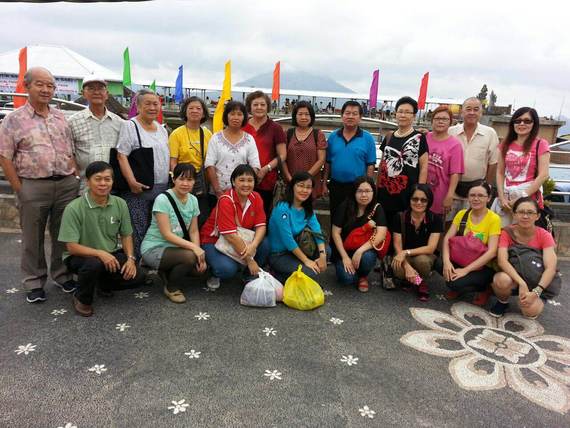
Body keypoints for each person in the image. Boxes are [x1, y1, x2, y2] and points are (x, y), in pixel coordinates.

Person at [0, 67, 80, 303]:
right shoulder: (14, 119)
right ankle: (34, 282)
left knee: (63, 234)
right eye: (40, 84)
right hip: (33, 186)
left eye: (50, 86)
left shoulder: (60, 116)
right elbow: (5, 156)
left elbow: (70, 149)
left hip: (65, 183)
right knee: (32, 237)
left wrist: (74, 175)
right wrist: (19, 188)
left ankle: (62, 274)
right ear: (27, 86)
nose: (46, 90)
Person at [58, 161, 145, 317]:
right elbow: (71, 247)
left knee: (138, 276)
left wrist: (131, 259)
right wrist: (100, 253)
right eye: (98, 179)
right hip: (80, 257)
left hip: (109, 254)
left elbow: (126, 235)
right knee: (94, 264)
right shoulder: (74, 208)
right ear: (88, 182)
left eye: (107, 179)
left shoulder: (120, 204)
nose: (103, 183)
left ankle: (102, 283)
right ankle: (81, 298)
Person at [116, 89, 170, 258]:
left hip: (161, 187)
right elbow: (121, 155)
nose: (152, 107)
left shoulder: (161, 129)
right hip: (139, 188)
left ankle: (151, 261)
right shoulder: (130, 126)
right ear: (138, 106)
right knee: (137, 228)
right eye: (147, 103)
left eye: (156, 104)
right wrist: (131, 181)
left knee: (155, 227)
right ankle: (136, 265)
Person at [141, 163, 207, 303]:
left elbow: (194, 230)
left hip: (176, 248)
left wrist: (198, 252)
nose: (185, 183)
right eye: (181, 179)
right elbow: (167, 234)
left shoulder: (193, 200)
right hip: (155, 247)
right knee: (190, 257)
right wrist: (194, 249)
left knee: (198, 268)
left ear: (195, 181)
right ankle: (171, 288)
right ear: (174, 179)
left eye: (190, 180)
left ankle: (165, 271)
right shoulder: (162, 199)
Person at [200, 164, 269, 290]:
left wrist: (253, 245)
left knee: (264, 244)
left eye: (250, 180)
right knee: (227, 269)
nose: (246, 184)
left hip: (241, 237)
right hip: (214, 240)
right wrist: (250, 260)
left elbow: (261, 226)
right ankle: (214, 272)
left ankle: (247, 275)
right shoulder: (226, 200)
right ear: (233, 181)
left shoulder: (256, 197)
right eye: (241, 180)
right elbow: (230, 236)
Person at [489, 197, 557, 318]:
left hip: (536, 278)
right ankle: (503, 302)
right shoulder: (507, 232)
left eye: (530, 212)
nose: (525, 216)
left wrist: (536, 292)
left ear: (537, 216)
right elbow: (502, 261)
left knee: (529, 312)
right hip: (515, 278)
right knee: (500, 279)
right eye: (521, 212)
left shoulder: (544, 235)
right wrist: (521, 283)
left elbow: (550, 268)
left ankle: (536, 297)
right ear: (514, 215)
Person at [441, 182, 501, 305]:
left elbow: (492, 252)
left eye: (481, 195)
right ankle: (460, 286)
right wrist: (447, 262)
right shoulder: (462, 214)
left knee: (454, 282)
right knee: (439, 263)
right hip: (461, 259)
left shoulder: (494, 219)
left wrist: (466, 270)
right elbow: (447, 238)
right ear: (468, 198)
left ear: (488, 198)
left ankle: (484, 289)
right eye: (472, 195)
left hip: (482, 266)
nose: (476, 198)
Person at [494, 107, 549, 227]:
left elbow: (543, 174)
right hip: (506, 198)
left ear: (534, 124)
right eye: (517, 121)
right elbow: (500, 172)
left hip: (528, 199)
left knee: (524, 234)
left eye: (527, 121)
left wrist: (521, 197)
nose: (522, 124)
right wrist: (502, 197)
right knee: (503, 233)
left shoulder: (541, 144)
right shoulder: (505, 144)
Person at [268, 172, 328, 283]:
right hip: (279, 255)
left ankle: (290, 274)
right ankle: (277, 274)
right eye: (300, 186)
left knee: (326, 251)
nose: (305, 190)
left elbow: (317, 230)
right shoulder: (282, 208)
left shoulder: (307, 207)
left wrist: (323, 255)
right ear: (292, 187)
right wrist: (306, 261)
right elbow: (288, 240)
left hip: (297, 250)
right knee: (311, 273)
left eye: (308, 187)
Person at [330, 176, 387, 292]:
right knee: (347, 279)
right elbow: (335, 233)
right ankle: (349, 270)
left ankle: (363, 276)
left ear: (373, 192)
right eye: (360, 191)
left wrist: (360, 251)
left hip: (364, 251)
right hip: (343, 252)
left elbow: (381, 234)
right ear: (354, 192)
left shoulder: (377, 208)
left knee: (368, 257)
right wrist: (345, 257)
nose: (364, 195)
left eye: (367, 191)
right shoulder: (345, 206)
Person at [377, 96, 428, 223]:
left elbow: (424, 167)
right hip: (385, 193)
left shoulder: (419, 138)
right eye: (400, 111)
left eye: (407, 112)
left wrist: (419, 193)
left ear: (414, 116)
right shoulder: (389, 136)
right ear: (395, 114)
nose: (403, 115)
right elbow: (382, 164)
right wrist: (377, 187)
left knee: (403, 230)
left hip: (408, 194)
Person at [68, 74, 123, 191]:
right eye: (91, 88)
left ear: (107, 94)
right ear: (83, 93)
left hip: (112, 187)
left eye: (100, 88)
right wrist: (76, 178)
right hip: (84, 187)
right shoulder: (73, 122)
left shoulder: (119, 122)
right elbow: (70, 154)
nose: (96, 92)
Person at [448, 97, 499, 219]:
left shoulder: (490, 133)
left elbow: (493, 162)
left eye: (476, 109)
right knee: (446, 226)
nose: (472, 112)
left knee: (471, 228)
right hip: (451, 190)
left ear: (481, 113)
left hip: (476, 192)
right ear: (462, 112)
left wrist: (486, 187)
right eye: (468, 109)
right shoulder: (451, 132)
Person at [324, 100, 377, 218]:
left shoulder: (367, 138)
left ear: (360, 117)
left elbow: (370, 165)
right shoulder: (333, 136)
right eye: (347, 113)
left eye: (354, 113)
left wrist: (367, 187)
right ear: (342, 116)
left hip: (357, 187)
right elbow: (327, 162)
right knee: (335, 217)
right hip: (336, 186)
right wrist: (324, 183)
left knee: (354, 219)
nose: (350, 116)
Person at [391, 184, 442, 301]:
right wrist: (407, 267)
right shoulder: (400, 217)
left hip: (424, 255)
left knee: (422, 262)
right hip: (404, 255)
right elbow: (397, 245)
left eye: (423, 200)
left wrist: (406, 252)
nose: (419, 203)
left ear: (429, 201)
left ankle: (420, 282)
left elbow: (431, 248)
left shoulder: (435, 219)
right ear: (409, 200)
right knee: (398, 269)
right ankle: (412, 279)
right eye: (415, 199)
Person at [168, 96, 214, 226]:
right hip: (183, 180)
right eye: (191, 108)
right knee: (182, 216)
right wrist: (177, 181)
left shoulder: (207, 133)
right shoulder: (177, 134)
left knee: (201, 216)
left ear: (203, 112)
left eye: (198, 108)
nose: (195, 111)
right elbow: (173, 161)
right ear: (185, 111)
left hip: (201, 181)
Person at [242, 91, 287, 215]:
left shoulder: (275, 128)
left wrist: (265, 169)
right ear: (249, 107)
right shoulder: (242, 125)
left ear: (268, 107)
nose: (259, 107)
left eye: (262, 104)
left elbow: (282, 155)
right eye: (255, 104)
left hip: (267, 180)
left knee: (263, 215)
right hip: (243, 178)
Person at [205, 101, 260, 198]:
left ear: (244, 117)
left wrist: (246, 186)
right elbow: (209, 165)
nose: (236, 117)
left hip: (242, 194)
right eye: (232, 114)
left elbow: (255, 165)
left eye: (239, 114)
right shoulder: (215, 138)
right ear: (226, 116)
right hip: (217, 194)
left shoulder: (249, 139)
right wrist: (218, 191)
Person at [281, 101, 328, 200]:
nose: (303, 117)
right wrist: (290, 178)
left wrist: (305, 178)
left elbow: (321, 160)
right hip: (291, 182)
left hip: (310, 183)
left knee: (308, 212)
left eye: (307, 114)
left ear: (311, 116)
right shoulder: (288, 134)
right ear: (295, 116)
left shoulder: (318, 134)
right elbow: (282, 158)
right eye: (300, 114)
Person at [426, 106, 464, 217]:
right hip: (421, 193)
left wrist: (450, 195)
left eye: (445, 119)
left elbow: (455, 173)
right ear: (432, 121)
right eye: (437, 118)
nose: (441, 121)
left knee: (436, 227)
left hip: (440, 194)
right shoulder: (424, 137)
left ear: (450, 122)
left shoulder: (455, 145)